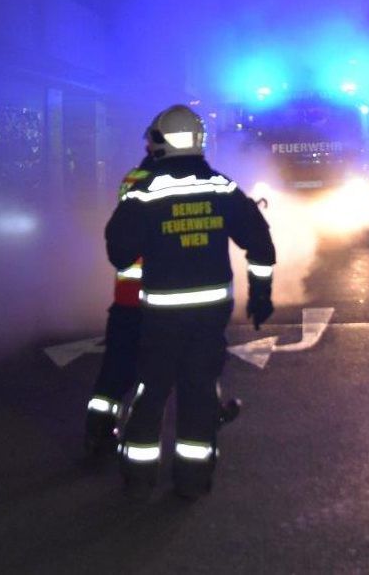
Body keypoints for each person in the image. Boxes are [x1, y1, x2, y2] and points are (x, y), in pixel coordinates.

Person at [105, 104, 275, 498]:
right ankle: (193, 481)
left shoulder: (144, 194)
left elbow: (119, 253)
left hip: (161, 319)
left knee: (151, 391)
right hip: (209, 318)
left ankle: (138, 478)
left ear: (161, 142)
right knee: (199, 393)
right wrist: (261, 294)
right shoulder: (222, 188)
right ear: (199, 142)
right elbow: (261, 242)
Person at [83, 156, 154, 456]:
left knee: (116, 368)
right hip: (158, 297)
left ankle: (98, 433)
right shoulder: (167, 180)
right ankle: (140, 440)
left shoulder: (133, 177)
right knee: (156, 372)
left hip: (126, 296)